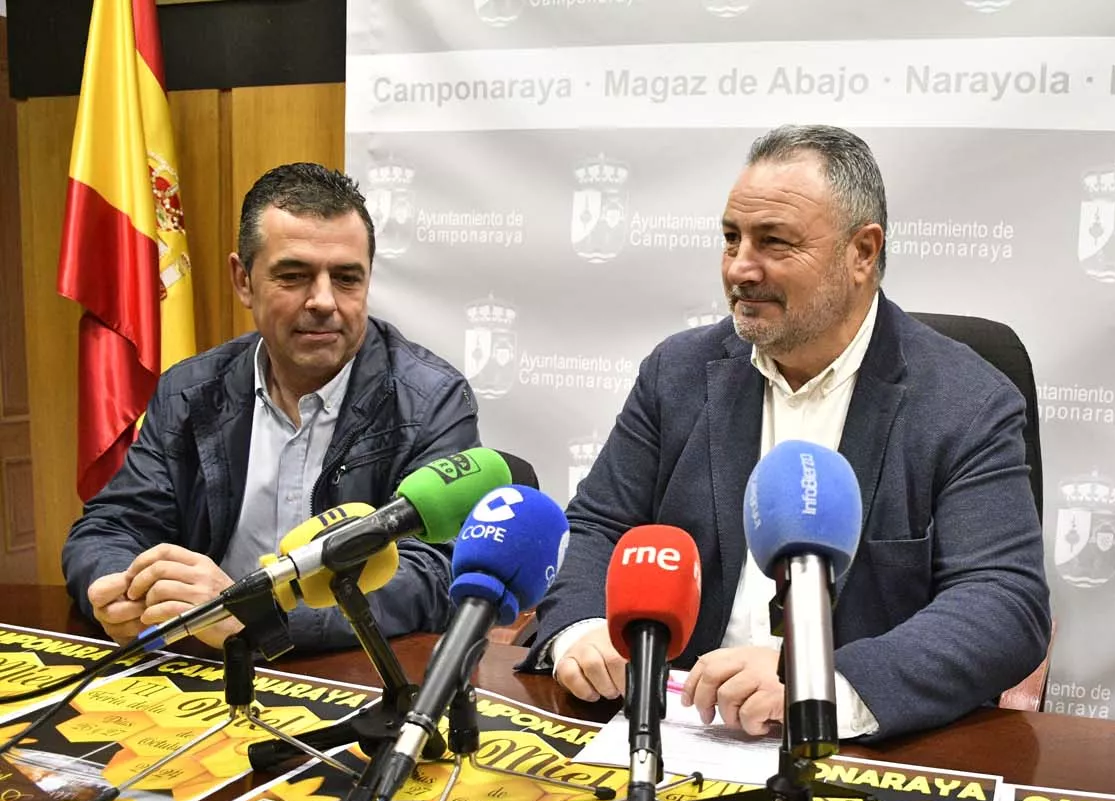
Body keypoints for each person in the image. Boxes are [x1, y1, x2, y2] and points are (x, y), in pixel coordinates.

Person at [527, 125, 1050, 741]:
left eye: (774, 242)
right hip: (670, 732)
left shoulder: (967, 402)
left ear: (862, 252)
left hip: (855, 756)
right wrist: (582, 631)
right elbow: (600, 527)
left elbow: (1002, 602)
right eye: (731, 239)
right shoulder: (677, 373)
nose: (740, 270)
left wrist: (816, 683)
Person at [62, 162, 481, 651]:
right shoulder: (190, 390)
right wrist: (120, 586)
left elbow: (433, 573)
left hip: (346, 669)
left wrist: (258, 615)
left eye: (347, 278)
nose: (324, 300)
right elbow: (111, 525)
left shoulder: (432, 399)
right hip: (203, 661)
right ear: (243, 280)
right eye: (295, 275)